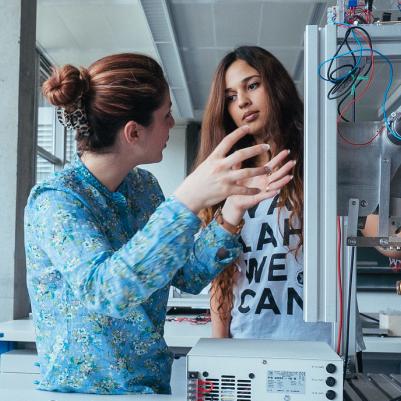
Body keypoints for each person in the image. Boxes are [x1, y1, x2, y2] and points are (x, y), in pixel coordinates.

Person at [24, 53, 293, 395]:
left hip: (150, 386)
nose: (172, 122)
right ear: (133, 132)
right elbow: (107, 292)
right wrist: (186, 201)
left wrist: (232, 211)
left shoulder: (144, 187)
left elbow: (185, 275)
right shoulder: (56, 200)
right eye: (166, 114)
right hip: (82, 392)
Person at [196, 46, 338, 343]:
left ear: (275, 85)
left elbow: (381, 234)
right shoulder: (226, 178)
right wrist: (219, 345)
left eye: (252, 85)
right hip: (250, 338)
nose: (243, 102)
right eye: (231, 97)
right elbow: (222, 276)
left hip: (323, 342)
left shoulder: (320, 159)